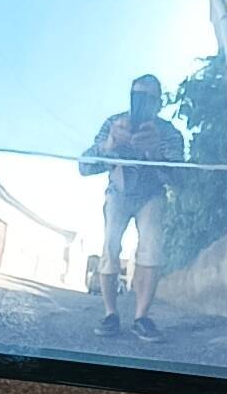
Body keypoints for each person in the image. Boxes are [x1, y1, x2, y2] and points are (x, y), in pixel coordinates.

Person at [80, 70, 187, 339]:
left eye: (150, 99)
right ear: (130, 98)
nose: (143, 103)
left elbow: (179, 179)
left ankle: (142, 316)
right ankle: (110, 314)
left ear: (159, 103)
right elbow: (84, 166)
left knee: (151, 248)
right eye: (138, 97)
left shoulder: (168, 133)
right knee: (110, 247)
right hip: (118, 192)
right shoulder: (115, 125)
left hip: (151, 195)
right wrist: (109, 145)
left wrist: (155, 151)